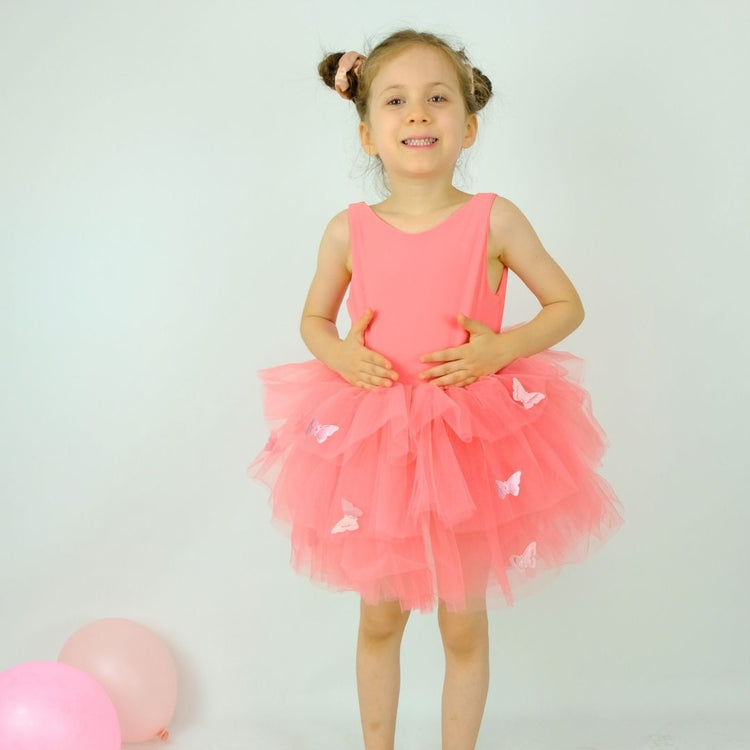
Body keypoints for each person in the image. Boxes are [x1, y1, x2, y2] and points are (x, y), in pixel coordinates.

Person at [247, 28, 624, 750]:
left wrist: (504, 348)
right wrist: (341, 357)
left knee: (461, 619)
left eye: (436, 98)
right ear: (367, 135)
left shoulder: (495, 219)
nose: (418, 115)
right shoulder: (347, 231)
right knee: (380, 617)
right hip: (379, 442)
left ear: (468, 124)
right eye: (396, 101)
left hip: (469, 440)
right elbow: (314, 318)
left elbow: (565, 305)